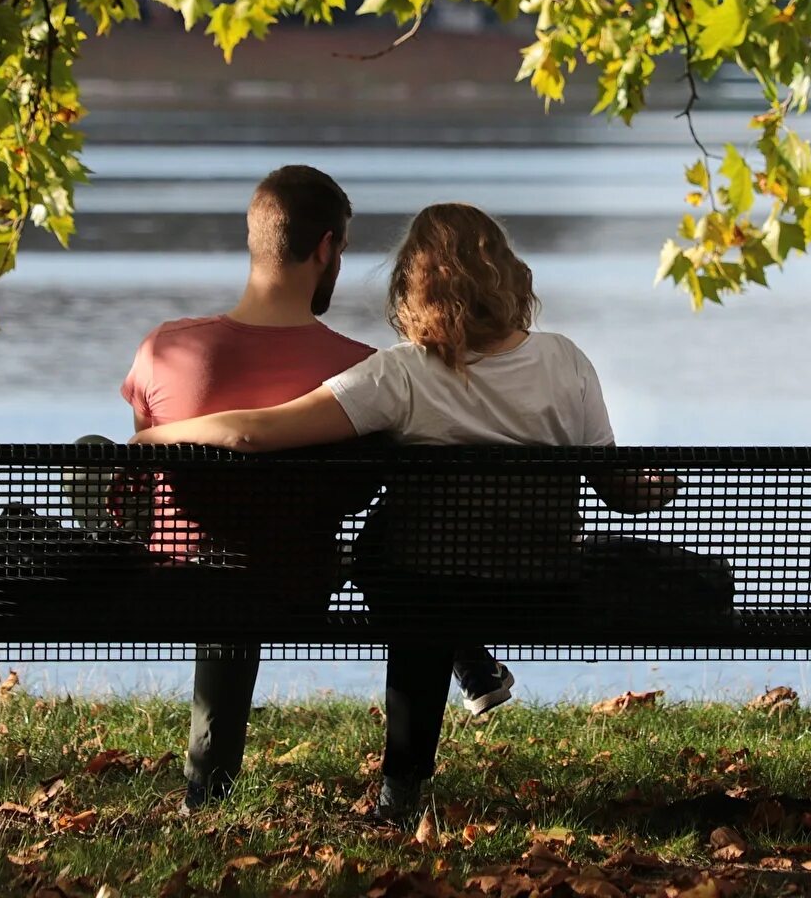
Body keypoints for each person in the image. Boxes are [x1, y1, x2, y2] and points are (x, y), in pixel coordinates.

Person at [133, 203, 686, 822]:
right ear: (507, 274)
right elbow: (624, 491)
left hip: (430, 597)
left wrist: (158, 437)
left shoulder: (401, 374)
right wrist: (666, 483)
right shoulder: (566, 361)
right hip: (541, 587)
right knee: (415, 579)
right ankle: (470, 661)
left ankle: (402, 795)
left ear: (412, 284)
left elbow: (255, 434)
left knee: (393, 568)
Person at [111, 168, 514, 815]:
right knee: (386, 519)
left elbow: (143, 485)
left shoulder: (164, 350)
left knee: (206, 551)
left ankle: (207, 786)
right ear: (327, 248)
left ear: (254, 238)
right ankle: (464, 657)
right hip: (299, 580)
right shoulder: (360, 370)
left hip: (171, 581)